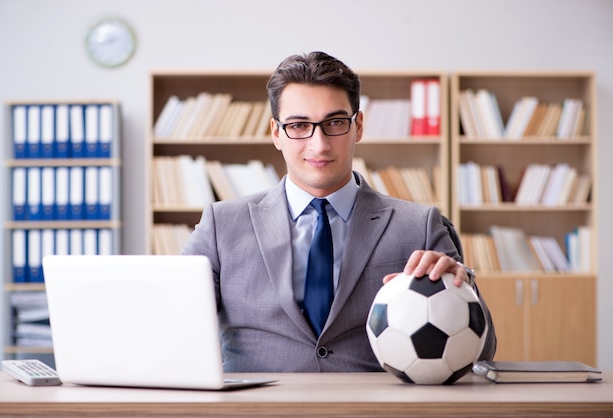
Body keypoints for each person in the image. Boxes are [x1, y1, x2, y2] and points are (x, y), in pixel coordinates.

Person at [181, 51, 496, 372]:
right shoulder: (222, 225)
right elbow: (172, 325)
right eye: (299, 125)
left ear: (358, 126)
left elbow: (482, 352)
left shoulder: (420, 225)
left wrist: (460, 288)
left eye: (334, 122)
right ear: (276, 133)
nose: (319, 144)